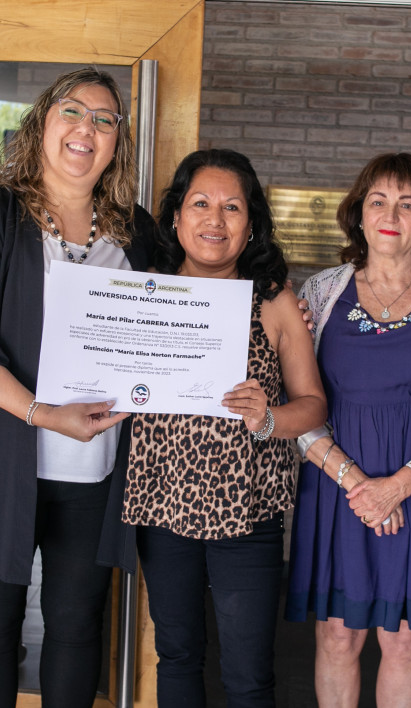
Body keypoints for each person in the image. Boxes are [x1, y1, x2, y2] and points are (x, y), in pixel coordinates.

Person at [0, 66, 154, 707]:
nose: (87, 129)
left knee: (79, 628)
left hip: (96, 469)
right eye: (72, 112)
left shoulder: (136, 234)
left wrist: (273, 308)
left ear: (117, 142)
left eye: (105, 119)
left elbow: (184, 316)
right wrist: (45, 413)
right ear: (42, 125)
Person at [122, 148, 327, 707]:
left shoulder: (276, 301)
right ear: (176, 217)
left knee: (248, 673)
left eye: (232, 207)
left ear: (252, 223)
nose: (215, 219)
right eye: (201, 204)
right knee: (178, 656)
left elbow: (313, 405)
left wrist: (269, 418)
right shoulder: (145, 294)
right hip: (162, 506)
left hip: (248, 510)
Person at [285, 152, 411, 707]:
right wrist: (360, 486)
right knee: (337, 634)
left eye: (408, 202)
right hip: (336, 488)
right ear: (358, 214)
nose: (391, 212)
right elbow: (297, 406)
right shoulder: (318, 296)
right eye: (378, 200)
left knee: (406, 641)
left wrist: (398, 485)